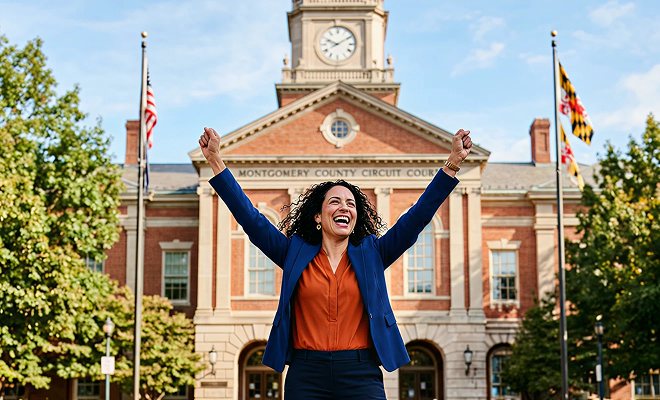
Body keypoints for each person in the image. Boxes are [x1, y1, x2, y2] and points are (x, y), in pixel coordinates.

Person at [199, 127, 472, 400]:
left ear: (355, 218)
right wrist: (215, 161)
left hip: (360, 373)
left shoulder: (372, 254)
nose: (345, 207)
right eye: (335, 202)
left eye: (351, 204)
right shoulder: (294, 253)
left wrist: (452, 164)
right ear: (318, 216)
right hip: (306, 375)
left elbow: (416, 218)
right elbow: (252, 220)